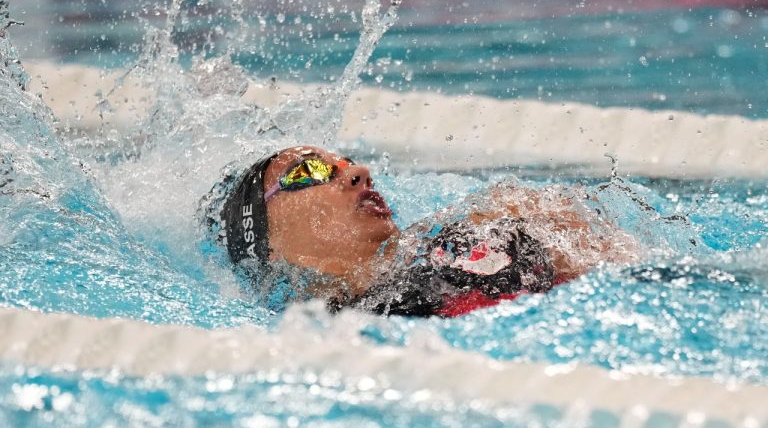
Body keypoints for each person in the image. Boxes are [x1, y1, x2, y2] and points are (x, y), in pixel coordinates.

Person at [202, 145, 637, 317]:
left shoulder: (450, 241)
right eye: (309, 171)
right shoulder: (354, 333)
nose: (359, 172)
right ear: (268, 244)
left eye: (345, 163)